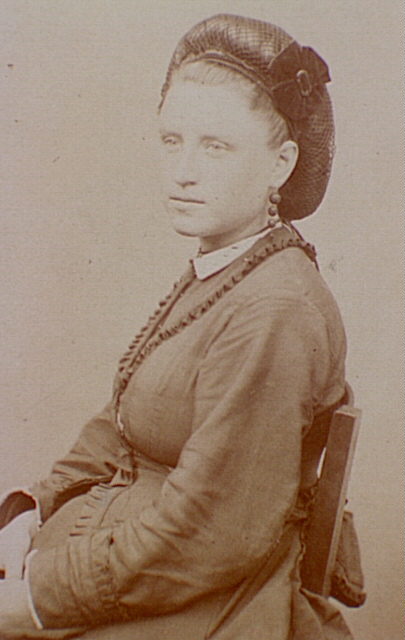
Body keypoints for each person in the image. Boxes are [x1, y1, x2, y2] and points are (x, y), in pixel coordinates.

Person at [0, 13, 361, 640]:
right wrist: (33, 508)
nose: (183, 170)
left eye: (215, 147)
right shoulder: (227, 268)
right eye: (172, 140)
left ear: (280, 164)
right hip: (130, 554)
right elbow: (123, 424)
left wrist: (35, 599)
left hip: (208, 599)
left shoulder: (276, 310)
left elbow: (212, 531)